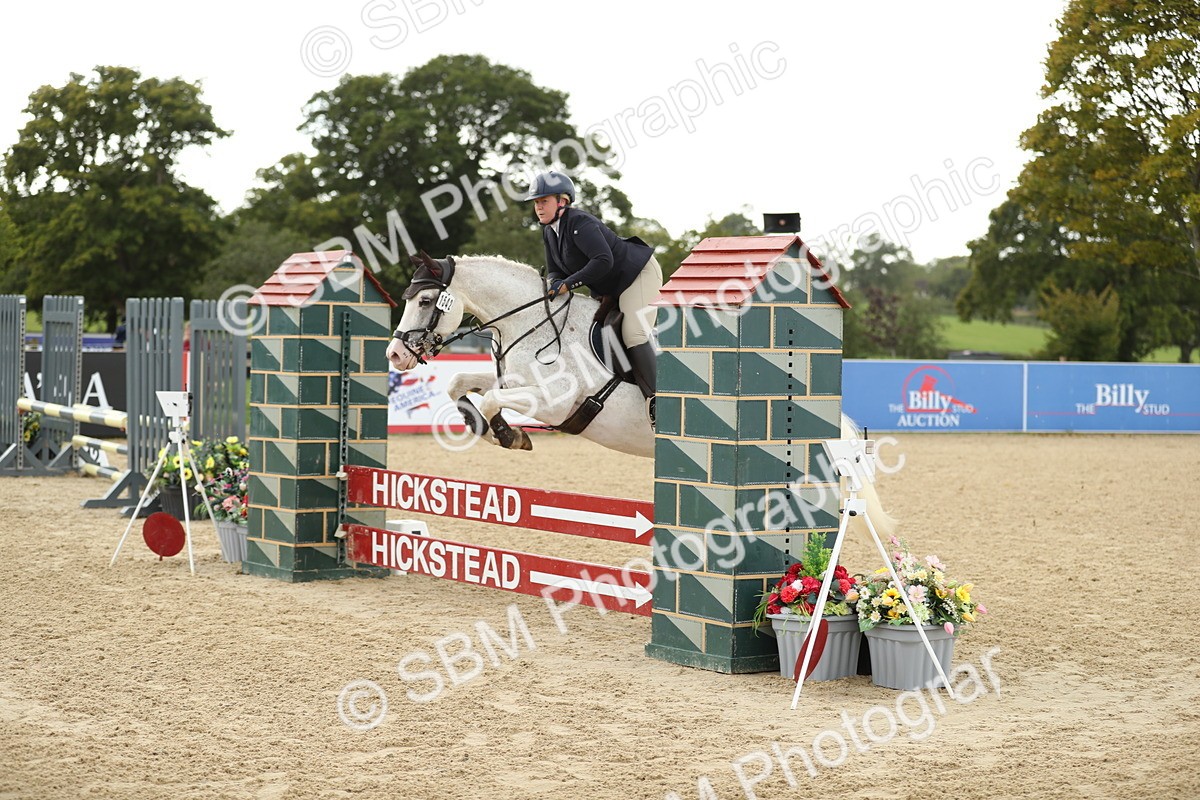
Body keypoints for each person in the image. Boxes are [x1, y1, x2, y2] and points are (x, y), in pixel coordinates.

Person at [524, 170, 663, 423]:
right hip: (611, 285)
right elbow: (555, 269)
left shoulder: (580, 223)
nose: (538, 207)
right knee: (603, 329)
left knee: (634, 333)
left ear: (563, 201)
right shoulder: (549, 231)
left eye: (544, 201)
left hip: (638, 275)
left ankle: (660, 402)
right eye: (536, 202)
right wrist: (555, 283)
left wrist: (568, 284)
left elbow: (603, 260)